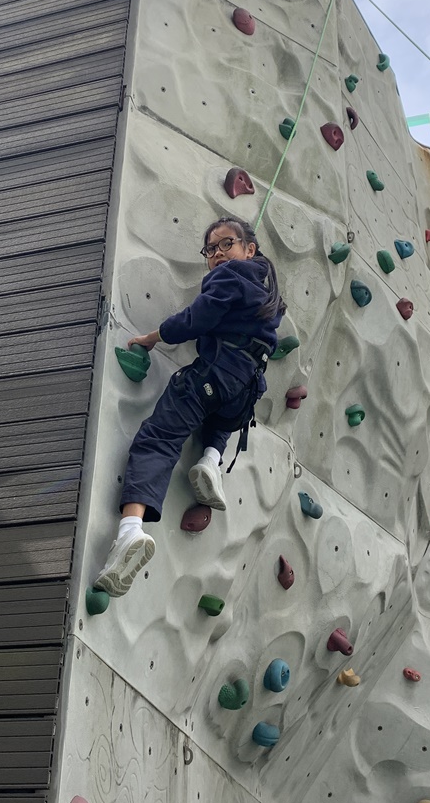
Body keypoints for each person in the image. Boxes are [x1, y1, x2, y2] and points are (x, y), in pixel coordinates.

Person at [93, 215, 286, 597]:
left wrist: (153, 337)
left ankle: (130, 531)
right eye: (210, 249)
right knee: (221, 419)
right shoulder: (269, 297)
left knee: (158, 439)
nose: (217, 254)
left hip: (213, 376)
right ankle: (211, 460)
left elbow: (197, 319)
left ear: (250, 249)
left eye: (226, 243)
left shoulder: (230, 276)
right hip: (246, 390)